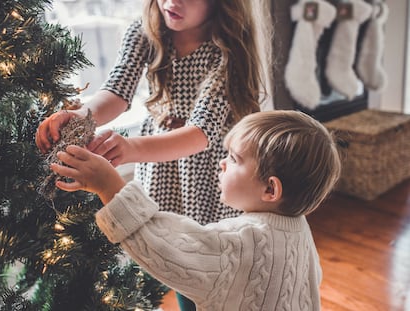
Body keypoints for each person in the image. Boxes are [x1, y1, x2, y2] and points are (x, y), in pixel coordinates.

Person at [36, 1, 271, 309]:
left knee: (200, 264)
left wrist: (132, 148)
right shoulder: (146, 31)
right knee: (161, 250)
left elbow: (201, 133)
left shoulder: (227, 49)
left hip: (206, 173)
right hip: (160, 171)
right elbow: (117, 92)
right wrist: (82, 115)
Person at [50, 110, 342, 311]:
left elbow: (163, 247)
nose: (222, 163)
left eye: (235, 158)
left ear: (270, 190)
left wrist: (110, 187)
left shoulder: (243, 241)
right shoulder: (298, 228)